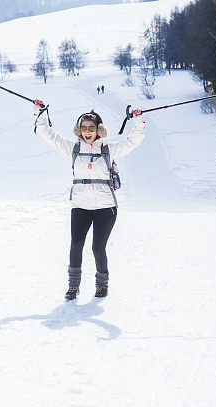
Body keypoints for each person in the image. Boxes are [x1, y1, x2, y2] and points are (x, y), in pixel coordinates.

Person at [33, 99, 145, 300]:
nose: (87, 131)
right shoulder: (73, 148)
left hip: (106, 208)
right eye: (83, 128)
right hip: (80, 207)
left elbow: (133, 141)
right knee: (76, 245)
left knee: (97, 247)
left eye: (91, 128)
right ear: (79, 129)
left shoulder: (108, 149)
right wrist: (41, 113)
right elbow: (49, 135)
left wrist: (138, 120)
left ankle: (102, 286)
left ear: (98, 129)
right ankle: (73, 287)